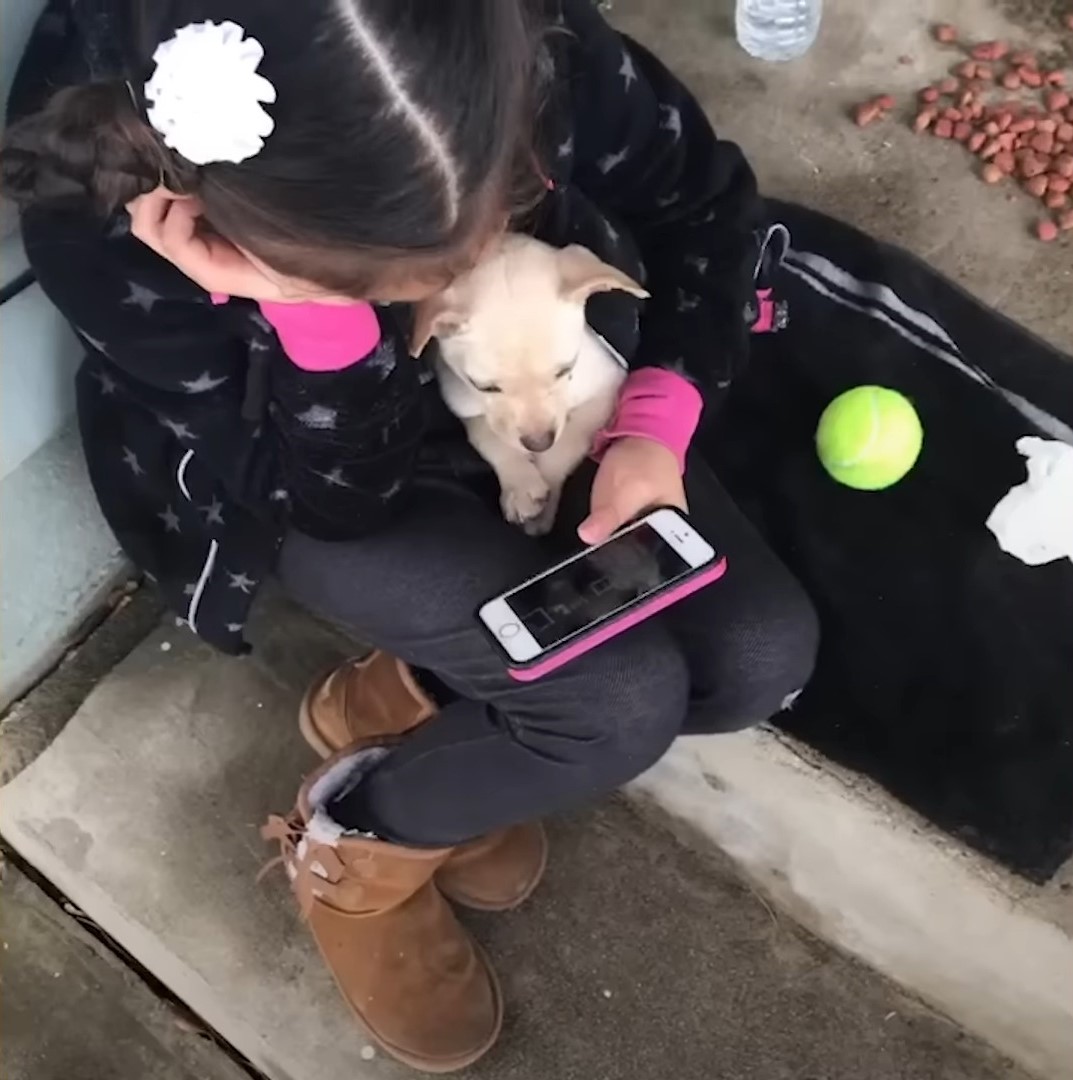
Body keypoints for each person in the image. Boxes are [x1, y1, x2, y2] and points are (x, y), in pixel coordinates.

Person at [3, 0, 818, 1070]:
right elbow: (336, 502)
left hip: (524, 375)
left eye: (507, 201)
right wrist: (320, 322)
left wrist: (652, 424)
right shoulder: (117, 204)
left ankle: (410, 701)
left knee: (755, 654)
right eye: (412, 277)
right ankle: (363, 833)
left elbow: (698, 208)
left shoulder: (510, 44)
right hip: (298, 453)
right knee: (612, 708)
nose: (470, 261)